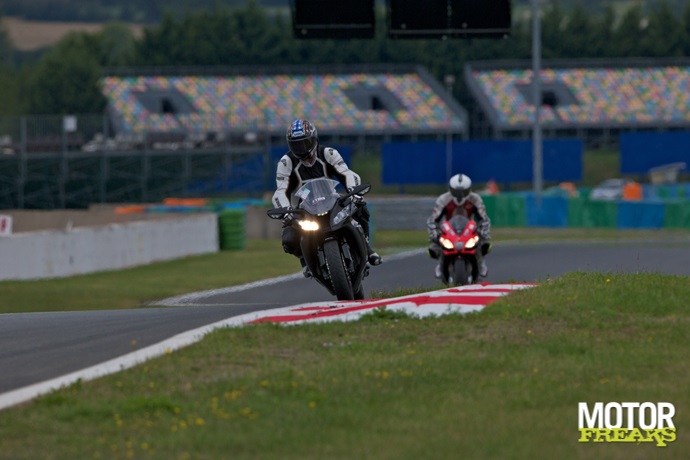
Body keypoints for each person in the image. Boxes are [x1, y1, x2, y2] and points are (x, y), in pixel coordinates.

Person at [272, 119, 382, 278]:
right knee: (288, 238)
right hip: (305, 206)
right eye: (296, 145)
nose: (301, 149)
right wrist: (286, 211)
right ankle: (304, 259)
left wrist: (354, 193)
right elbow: (281, 191)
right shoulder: (285, 162)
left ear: (314, 139)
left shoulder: (328, 153)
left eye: (305, 143)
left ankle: (367, 248)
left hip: (332, 199)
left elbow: (347, 174)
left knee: (361, 208)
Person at [426, 173, 492, 279]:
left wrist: (483, 231)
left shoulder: (475, 199)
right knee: (435, 245)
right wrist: (435, 234)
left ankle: (480, 263)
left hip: (469, 228)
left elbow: (484, 219)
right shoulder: (443, 199)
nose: (460, 195)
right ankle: (440, 262)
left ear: (469, 190)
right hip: (448, 229)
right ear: (451, 189)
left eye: (463, 191)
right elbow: (433, 220)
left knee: (482, 243)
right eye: (456, 191)